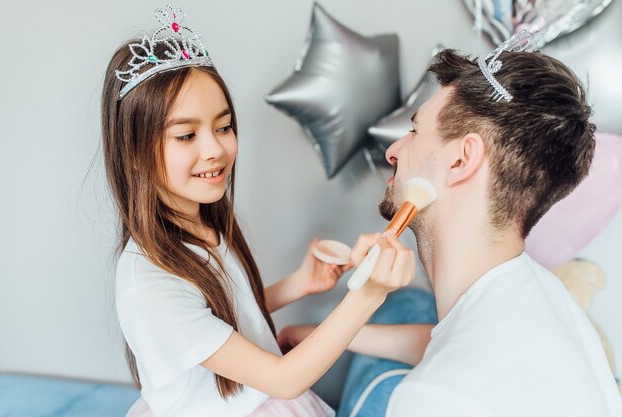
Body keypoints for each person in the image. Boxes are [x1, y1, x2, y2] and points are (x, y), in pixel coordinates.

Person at [280, 32, 622, 417]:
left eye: (414, 131)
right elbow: (447, 340)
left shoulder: (431, 399)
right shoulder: (544, 294)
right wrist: (334, 337)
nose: (393, 151)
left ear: (461, 161)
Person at [101, 5, 416, 417]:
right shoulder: (148, 282)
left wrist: (297, 285)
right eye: (186, 135)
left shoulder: (198, 223)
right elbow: (284, 378)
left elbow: (219, 316)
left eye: (224, 126)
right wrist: (368, 293)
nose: (215, 149)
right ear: (134, 153)